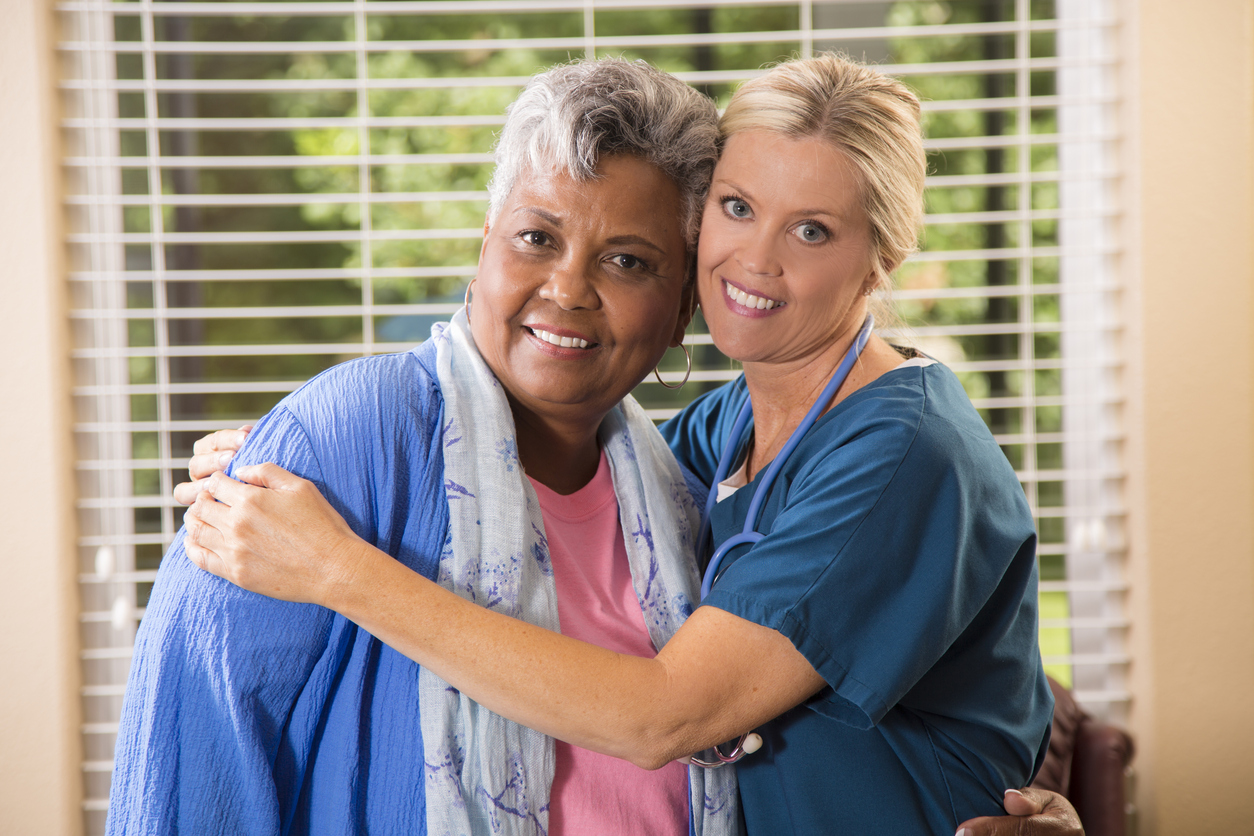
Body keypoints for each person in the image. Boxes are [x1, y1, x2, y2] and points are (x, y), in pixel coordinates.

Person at [181, 55, 1075, 835]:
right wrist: (297, 446)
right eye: (737, 206)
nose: (753, 259)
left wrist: (335, 567)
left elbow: (666, 719)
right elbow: (570, 447)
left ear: (880, 257)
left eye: (812, 230)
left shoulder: (899, 455)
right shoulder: (730, 429)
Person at [107, 58, 740, 836]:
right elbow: (185, 762)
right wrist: (294, 437)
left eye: (628, 260)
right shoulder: (351, 438)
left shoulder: (681, 503)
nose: (569, 288)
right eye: (537, 237)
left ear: (681, 310)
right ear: (484, 249)